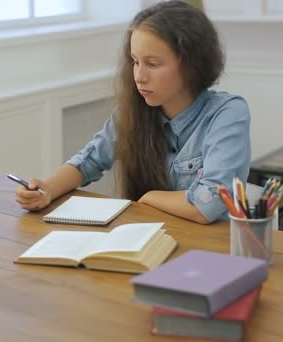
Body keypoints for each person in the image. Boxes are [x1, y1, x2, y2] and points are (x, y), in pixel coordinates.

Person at [14, 0, 251, 224]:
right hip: (152, 237)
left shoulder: (228, 113)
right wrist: (47, 189)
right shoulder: (134, 110)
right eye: (135, 61)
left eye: (153, 64)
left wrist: (148, 197)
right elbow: (89, 161)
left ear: (192, 65)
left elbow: (205, 205)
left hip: (215, 249)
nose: (139, 76)